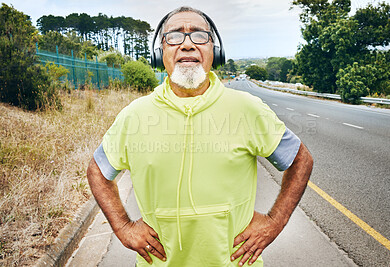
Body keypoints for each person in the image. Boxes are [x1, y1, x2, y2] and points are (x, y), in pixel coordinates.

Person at [87, 6, 313, 267]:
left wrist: (274, 222)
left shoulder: (248, 109)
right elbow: (98, 171)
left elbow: (301, 160)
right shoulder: (134, 115)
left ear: (214, 51)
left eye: (198, 35)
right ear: (160, 53)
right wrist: (123, 226)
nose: (186, 45)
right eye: (174, 36)